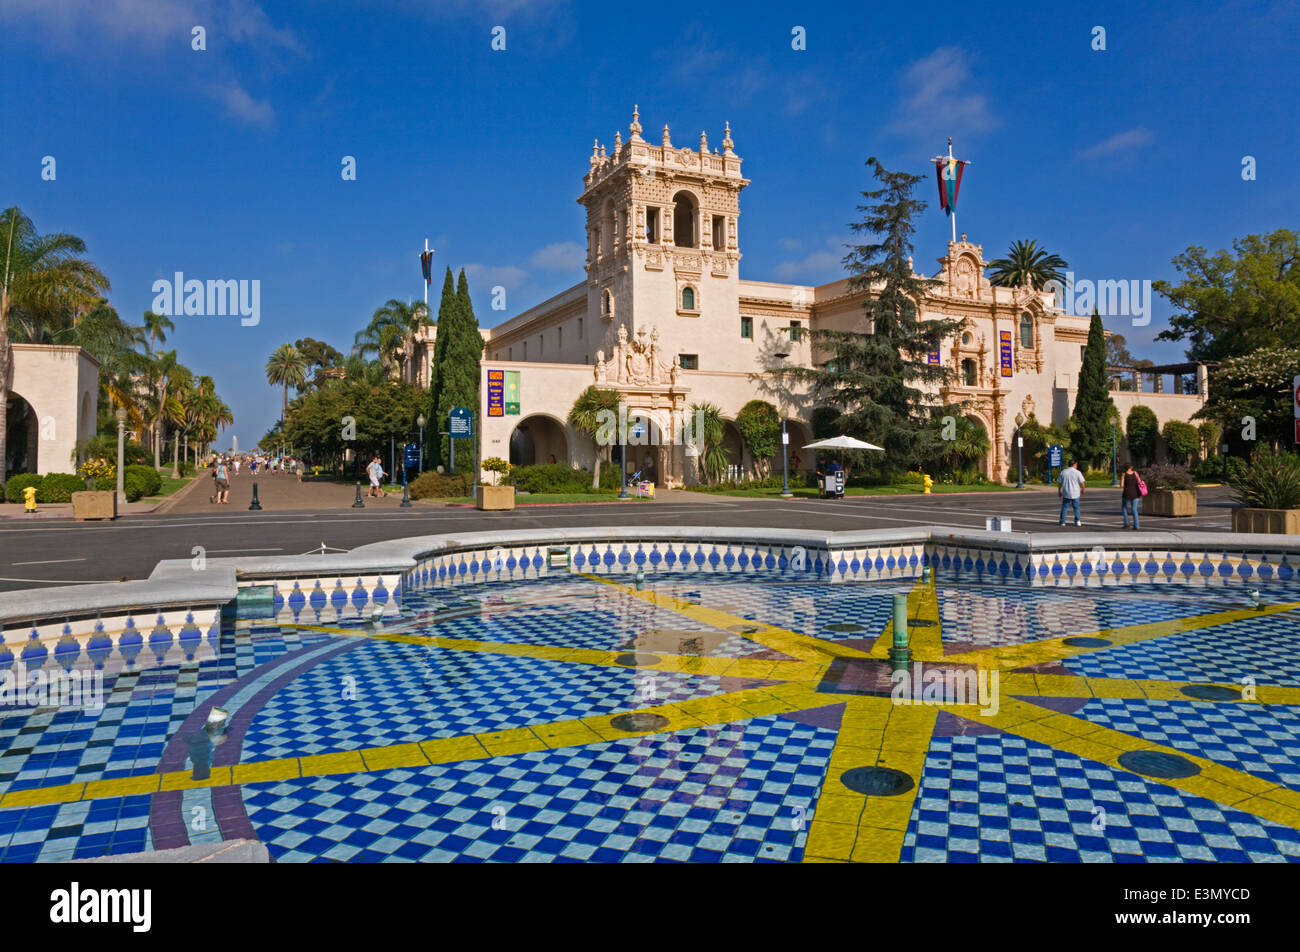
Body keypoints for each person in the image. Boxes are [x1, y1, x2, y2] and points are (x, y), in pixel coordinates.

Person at [1058, 460, 1085, 526]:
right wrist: (1083, 489)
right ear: (1074, 465)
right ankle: (1077, 521)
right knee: (1076, 508)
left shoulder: (1063, 472)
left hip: (1066, 492)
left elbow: (1060, 483)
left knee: (1064, 508)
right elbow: (1082, 483)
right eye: (1076, 465)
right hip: (1075, 493)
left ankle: (1062, 522)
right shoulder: (1078, 472)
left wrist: (1059, 491)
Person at [1121, 462, 1142, 530]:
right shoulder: (1135, 473)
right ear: (1131, 467)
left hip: (1127, 493)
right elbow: (1139, 481)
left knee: (1124, 507)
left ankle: (1126, 523)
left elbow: (1121, 485)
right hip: (1135, 493)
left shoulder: (1124, 474)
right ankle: (1136, 526)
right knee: (1134, 509)